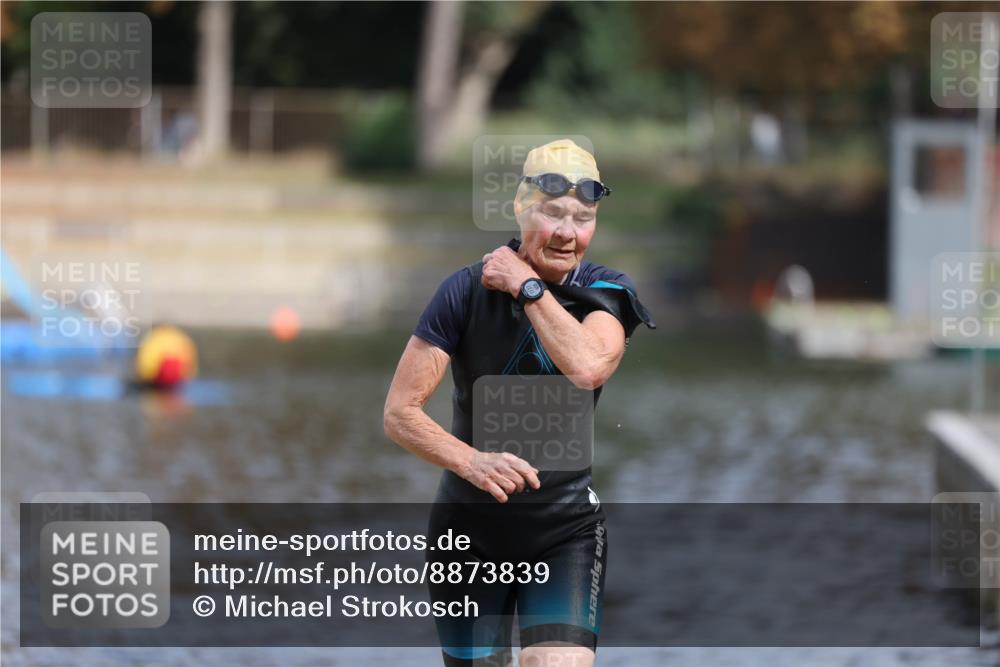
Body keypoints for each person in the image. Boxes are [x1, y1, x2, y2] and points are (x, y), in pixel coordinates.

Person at [384, 139, 654, 667]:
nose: (566, 232)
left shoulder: (608, 292)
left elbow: (589, 366)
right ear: (520, 207)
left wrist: (527, 286)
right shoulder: (463, 292)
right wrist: (472, 460)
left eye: (582, 217)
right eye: (552, 213)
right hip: (468, 534)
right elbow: (399, 413)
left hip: (563, 531)